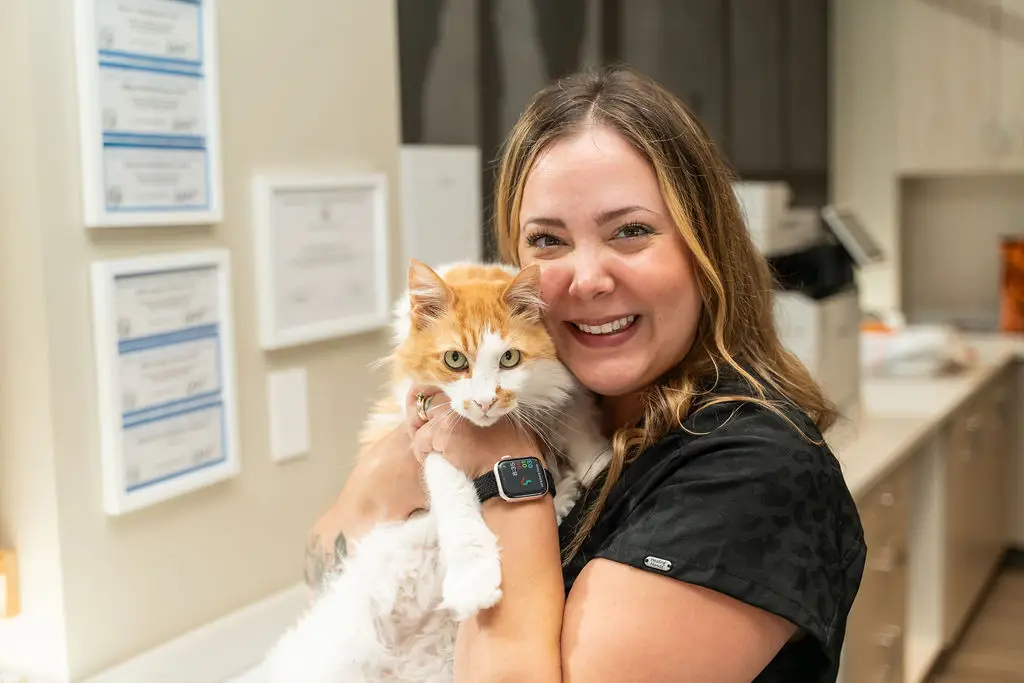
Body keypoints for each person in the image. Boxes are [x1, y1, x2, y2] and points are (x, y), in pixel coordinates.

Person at [305, 65, 866, 683]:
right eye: (547, 241)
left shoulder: (752, 471)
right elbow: (325, 566)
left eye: (630, 232)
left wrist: (504, 473)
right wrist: (382, 476)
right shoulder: (549, 409)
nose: (587, 279)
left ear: (704, 248)